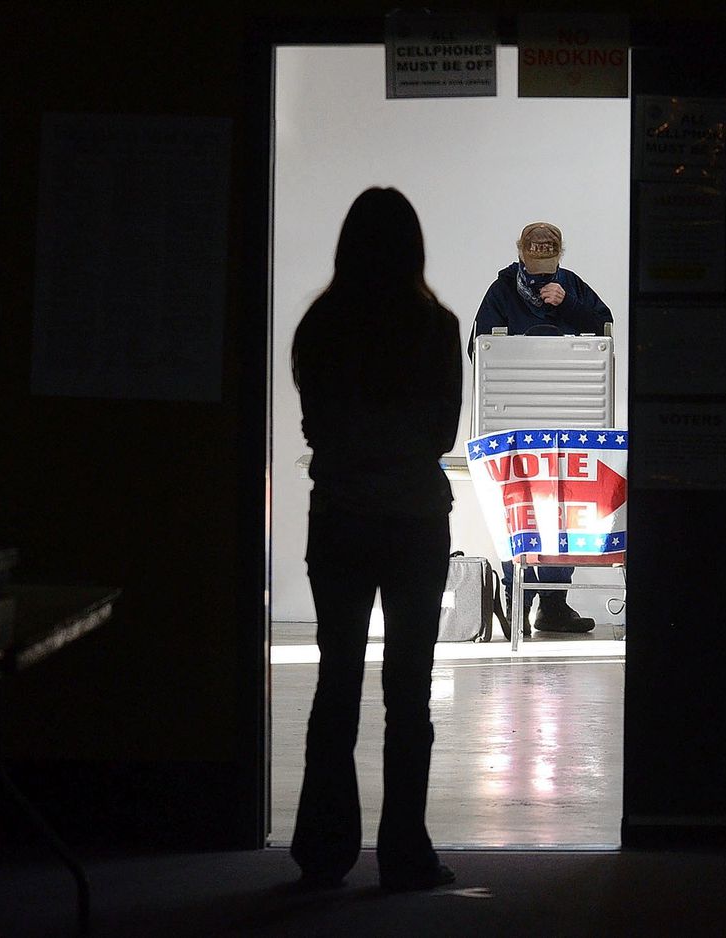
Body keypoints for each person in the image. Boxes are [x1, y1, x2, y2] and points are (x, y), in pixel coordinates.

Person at [289, 187, 460, 892]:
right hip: (416, 520)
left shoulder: (320, 325)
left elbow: (317, 430)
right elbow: (442, 435)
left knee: (337, 684)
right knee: (409, 693)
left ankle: (325, 851)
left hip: (340, 519)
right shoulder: (436, 326)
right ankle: (404, 853)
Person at [470, 222, 613, 634]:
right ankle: (519, 603)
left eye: (548, 261)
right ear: (520, 253)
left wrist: (568, 305)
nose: (541, 271)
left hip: (571, 419)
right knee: (518, 511)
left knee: (567, 511)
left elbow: (604, 329)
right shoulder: (501, 291)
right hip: (514, 424)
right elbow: (479, 346)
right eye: (534, 261)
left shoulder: (572, 286)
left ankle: (553, 605)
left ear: (560, 255)